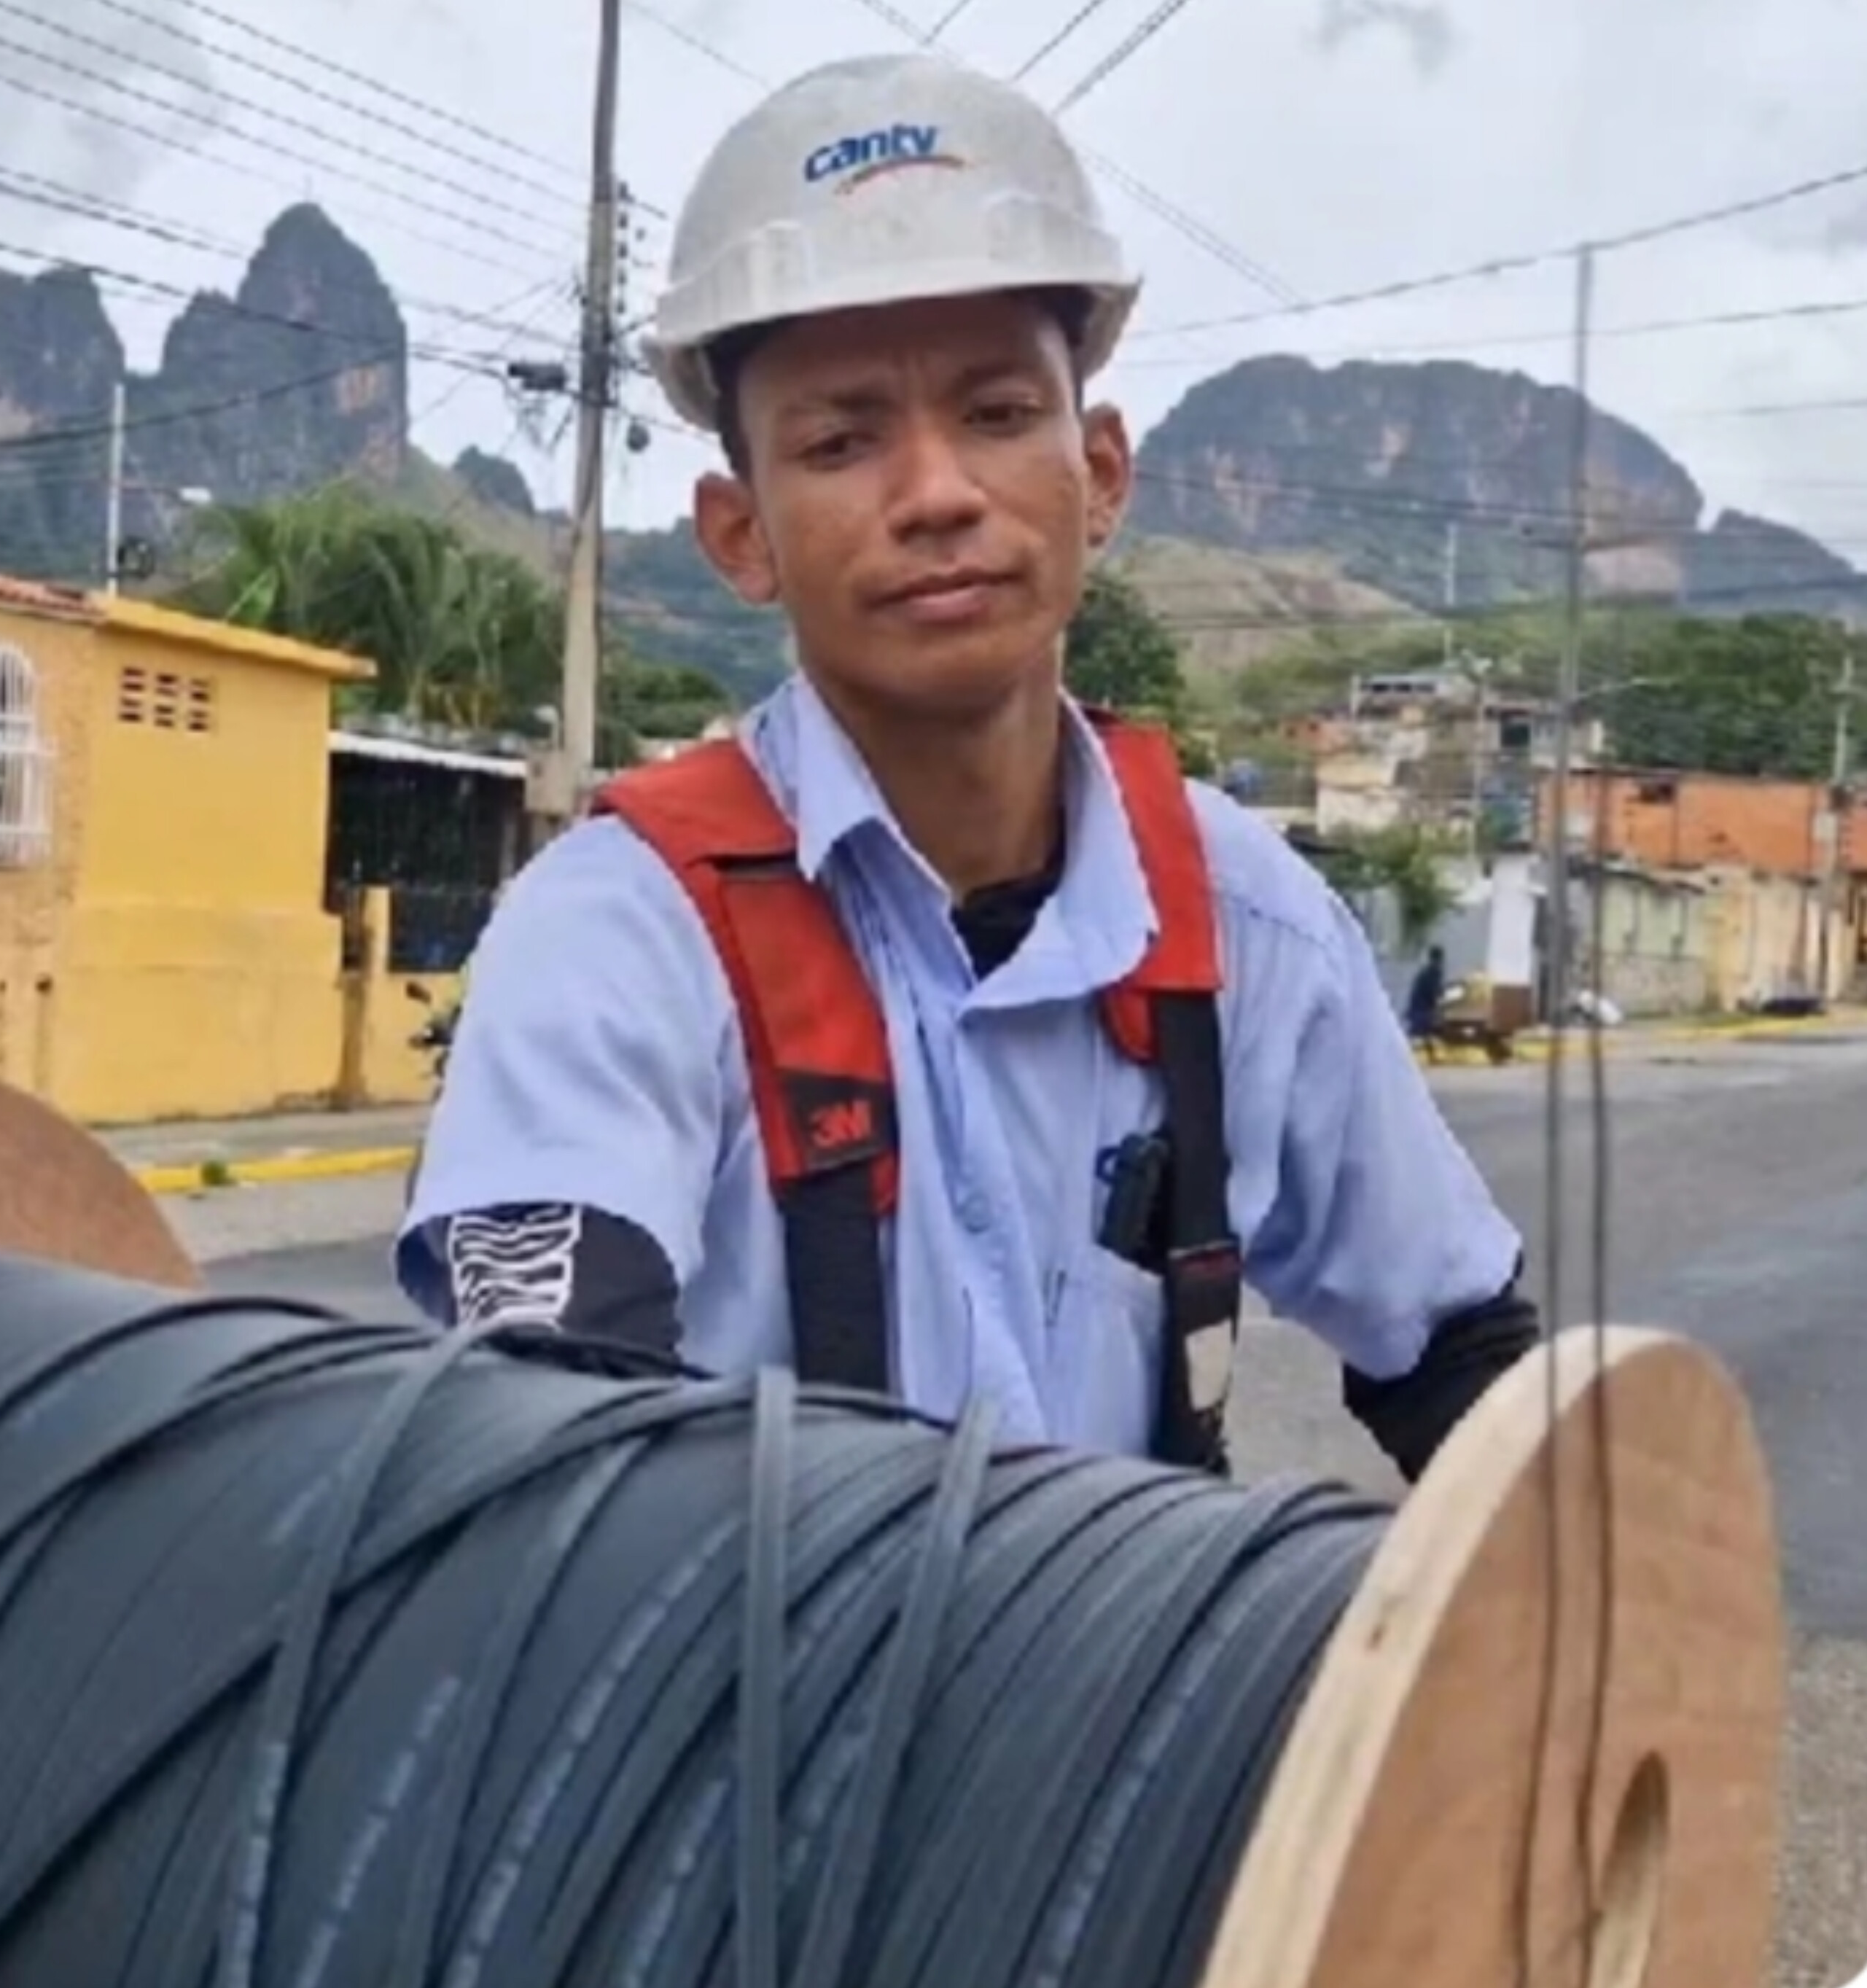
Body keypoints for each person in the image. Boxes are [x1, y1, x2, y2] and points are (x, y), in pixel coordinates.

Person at [394, 53, 1537, 1483]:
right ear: (740, 534)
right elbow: (538, 1453)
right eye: (840, 439)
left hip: (1136, 1639)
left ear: (1099, 474)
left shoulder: (1247, 923)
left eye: (996, 414)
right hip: (752, 1642)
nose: (935, 493)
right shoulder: (615, 933)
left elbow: (1461, 1354)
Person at [1403, 945, 1449, 1061]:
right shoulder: (1434, 972)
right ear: (1440, 959)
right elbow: (1434, 992)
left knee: (1424, 1033)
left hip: (1418, 1007)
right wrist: (1441, 998)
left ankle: (1430, 1056)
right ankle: (1427, 1056)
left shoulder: (1425, 972)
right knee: (1421, 1033)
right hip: (1423, 1009)